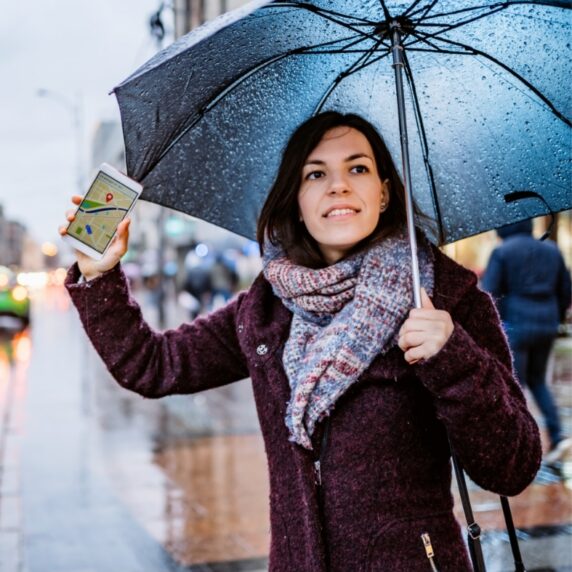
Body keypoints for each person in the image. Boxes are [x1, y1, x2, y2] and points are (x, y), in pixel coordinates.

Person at [60, 112, 541, 572]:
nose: (338, 185)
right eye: (315, 175)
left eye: (358, 167)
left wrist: (453, 357)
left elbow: (512, 465)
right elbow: (153, 365)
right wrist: (99, 275)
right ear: (295, 199)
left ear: (385, 192)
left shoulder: (444, 298)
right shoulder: (267, 307)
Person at [482, 219, 572, 464]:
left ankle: (518, 447)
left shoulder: (502, 252)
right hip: (547, 324)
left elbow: (488, 294)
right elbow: (566, 289)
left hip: (516, 326)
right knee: (538, 381)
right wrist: (555, 316)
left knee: (515, 386)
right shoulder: (551, 251)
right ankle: (557, 435)